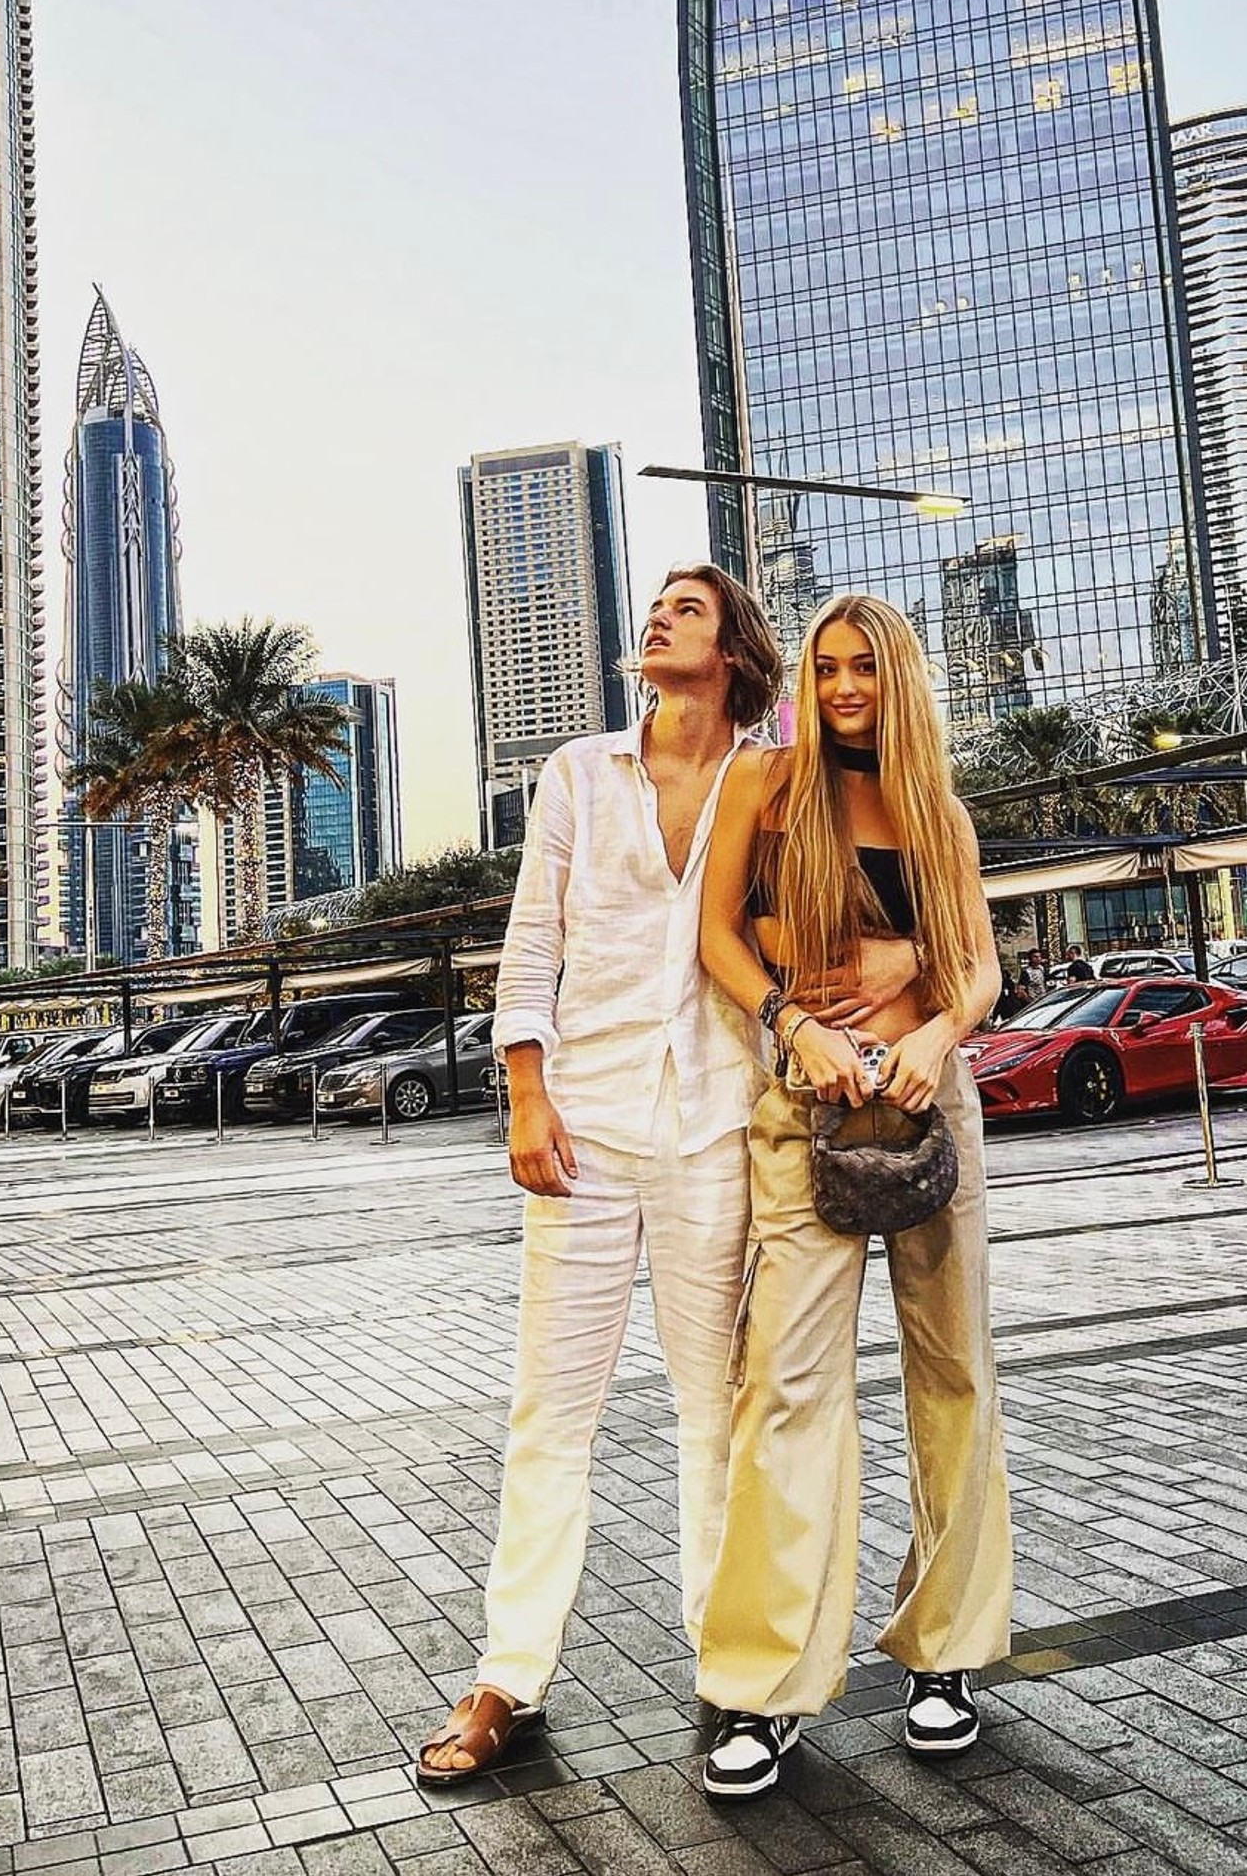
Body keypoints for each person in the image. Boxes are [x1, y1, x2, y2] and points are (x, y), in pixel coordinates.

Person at [415, 567, 792, 1781]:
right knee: (550, 1410)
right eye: (658, 604)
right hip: (584, 1124)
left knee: (713, 1409)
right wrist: (526, 1091)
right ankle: (507, 1676)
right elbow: (534, 939)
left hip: (715, 1122)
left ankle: (730, 1665)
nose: (659, 616)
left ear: (732, 651)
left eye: (689, 608)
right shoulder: (579, 772)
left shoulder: (770, 780)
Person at [693, 592, 1011, 1801]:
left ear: (898, 679)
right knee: (785, 1384)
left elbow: (978, 968)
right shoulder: (765, 785)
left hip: (928, 1105)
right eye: (824, 668)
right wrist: (790, 1025)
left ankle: (945, 1654)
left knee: (954, 1372)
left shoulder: (937, 811)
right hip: (805, 1104)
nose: (840, 688)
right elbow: (720, 940)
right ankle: (764, 1685)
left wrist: (934, 1034)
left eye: (862, 669)